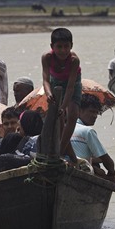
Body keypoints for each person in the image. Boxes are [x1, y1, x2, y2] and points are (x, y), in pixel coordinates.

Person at [41, 27, 81, 164]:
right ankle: (69, 154)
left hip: (73, 82)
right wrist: (48, 93)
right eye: (59, 47)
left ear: (71, 46)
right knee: (58, 118)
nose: (63, 51)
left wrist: (64, 106)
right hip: (55, 81)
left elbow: (70, 87)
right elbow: (45, 79)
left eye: (66, 47)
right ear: (52, 46)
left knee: (73, 115)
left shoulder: (74, 60)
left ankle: (61, 151)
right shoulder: (47, 57)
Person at [70, 94, 115, 190]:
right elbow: (107, 160)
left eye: (96, 113)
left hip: (70, 167)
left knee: (98, 169)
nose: (95, 116)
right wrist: (112, 174)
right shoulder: (87, 131)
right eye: (91, 111)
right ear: (79, 111)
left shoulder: (64, 127)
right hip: (81, 173)